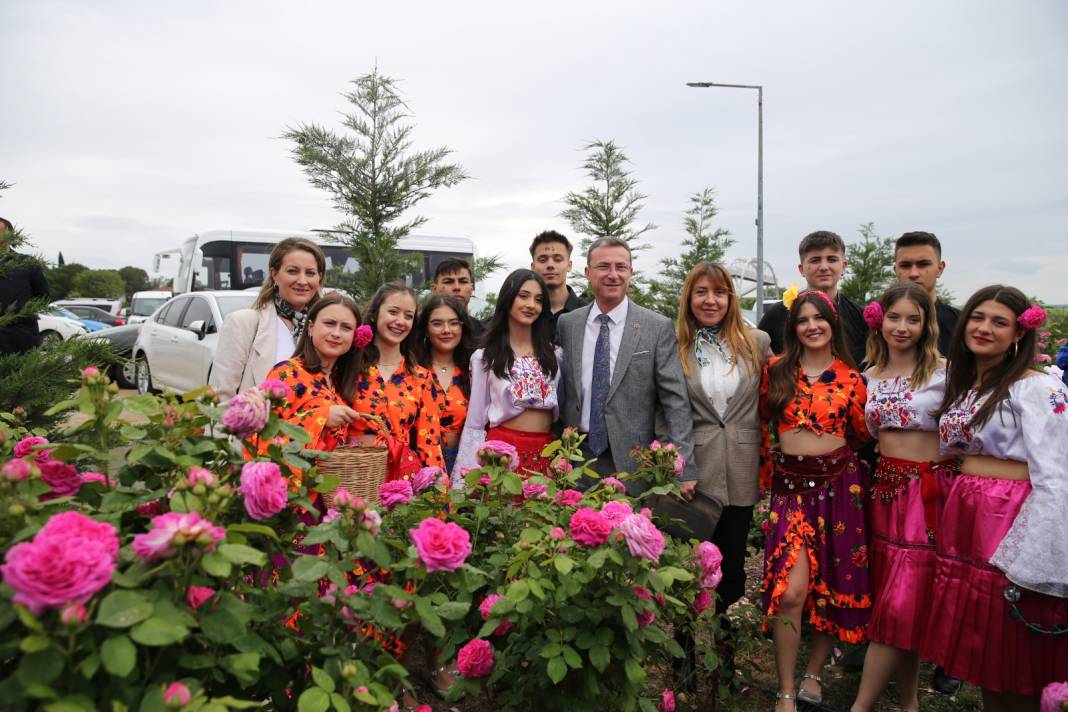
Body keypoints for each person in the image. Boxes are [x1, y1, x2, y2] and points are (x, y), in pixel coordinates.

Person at [924, 285, 1068, 712]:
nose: (984, 328)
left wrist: (1038, 555)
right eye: (978, 317)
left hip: (1008, 517)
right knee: (986, 648)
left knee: (1015, 644)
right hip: (968, 515)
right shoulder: (971, 385)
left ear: (1019, 334)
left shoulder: (1038, 388)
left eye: (999, 322)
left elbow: (1057, 474)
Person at [758, 290, 871, 712]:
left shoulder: (853, 378)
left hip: (840, 492)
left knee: (830, 590)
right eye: (803, 320)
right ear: (793, 327)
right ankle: (786, 687)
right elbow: (763, 427)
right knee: (792, 592)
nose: (812, 326)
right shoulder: (775, 371)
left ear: (833, 323)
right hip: (790, 493)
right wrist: (765, 481)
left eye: (819, 318)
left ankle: (813, 674)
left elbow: (861, 435)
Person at [850, 283, 951, 712]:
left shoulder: (947, 372)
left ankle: (861, 706)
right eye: (895, 317)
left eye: (914, 318)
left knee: (901, 605)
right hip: (883, 493)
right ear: (880, 320)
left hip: (925, 494)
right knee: (897, 603)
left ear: (928, 324)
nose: (903, 327)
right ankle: (909, 703)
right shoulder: (866, 375)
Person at [676, 261, 771, 682]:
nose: (710, 300)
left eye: (719, 291)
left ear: (731, 297)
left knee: (731, 572)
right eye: (701, 292)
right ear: (689, 298)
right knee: (684, 571)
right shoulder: (675, 345)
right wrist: (675, 465)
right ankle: (683, 665)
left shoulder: (757, 342)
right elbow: (668, 410)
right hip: (693, 472)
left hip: (741, 467)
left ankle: (725, 664)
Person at [556, 237, 697, 494]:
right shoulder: (568, 324)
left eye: (621, 267)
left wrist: (684, 466)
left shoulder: (656, 327)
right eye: (603, 267)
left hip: (634, 463)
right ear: (587, 273)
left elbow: (675, 401)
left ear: (631, 272)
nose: (613, 275)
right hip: (577, 458)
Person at [453, 269, 562, 481]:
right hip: (501, 454)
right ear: (507, 299)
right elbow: (476, 421)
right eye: (523, 296)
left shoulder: (555, 355)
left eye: (538, 300)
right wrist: (463, 480)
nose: (531, 304)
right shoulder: (485, 357)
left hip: (546, 451)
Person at [262, 293, 363, 483]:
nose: (336, 333)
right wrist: (321, 418)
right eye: (329, 323)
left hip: (333, 490)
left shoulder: (344, 383)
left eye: (346, 327)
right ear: (310, 327)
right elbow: (263, 434)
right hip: (294, 491)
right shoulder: (285, 374)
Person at [211, 238, 324, 401]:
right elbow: (219, 399)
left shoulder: (326, 328)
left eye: (310, 273)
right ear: (274, 274)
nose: (302, 281)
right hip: (259, 425)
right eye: (292, 271)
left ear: (319, 278)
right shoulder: (243, 323)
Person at [351, 283, 445, 472]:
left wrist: (437, 495)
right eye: (393, 312)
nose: (401, 321)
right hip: (352, 476)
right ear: (374, 314)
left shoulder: (421, 377)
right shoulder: (349, 367)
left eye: (408, 316)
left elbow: (429, 443)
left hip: (401, 480)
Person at [758, 230, 867, 366]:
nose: (823, 267)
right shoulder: (777, 315)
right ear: (801, 269)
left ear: (844, 265)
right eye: (815, 260)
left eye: (831, 259)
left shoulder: (860, 317)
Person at [413, 294, 475, 474]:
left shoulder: (473, 370)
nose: (446, 330)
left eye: (454, 323)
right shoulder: (413, 369)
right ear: (425, 328)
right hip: (419, 461)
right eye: (437, 323)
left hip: (463, 462)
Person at [893, 231, 960, 356]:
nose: (913, 273)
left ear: (940, 269)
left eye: (923, 264)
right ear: (895, 270)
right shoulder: (879, 324)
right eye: (905, 265)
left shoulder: (960, 324)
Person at [0, 217, 50, 355]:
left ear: (11, 237)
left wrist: (19, 312)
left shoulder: (27, 264)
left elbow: (43, 296)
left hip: (20, 339)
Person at [529, 230, 586, 333]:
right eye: (542, 260)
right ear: (533, 267)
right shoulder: (524, 314)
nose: (550, 265)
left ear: (569, 265)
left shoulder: (588, 314)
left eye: (558, 259)